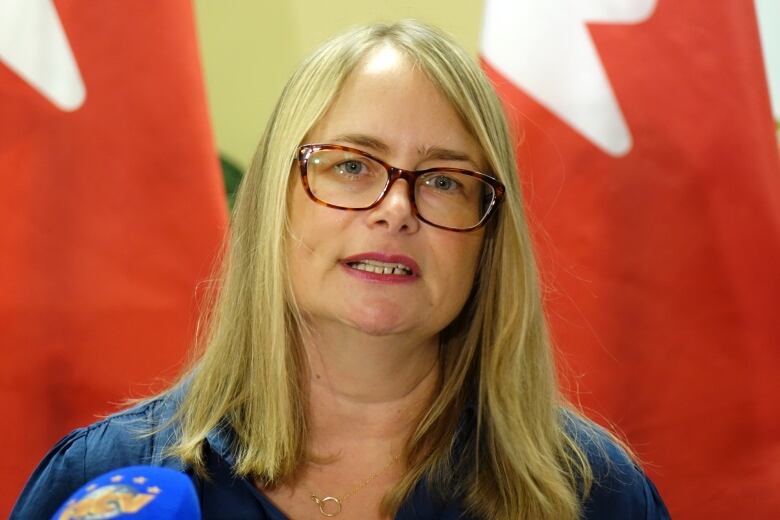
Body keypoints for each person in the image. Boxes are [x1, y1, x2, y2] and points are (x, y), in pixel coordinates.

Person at [12, 20, 669, 520]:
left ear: (489, 237)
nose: (396, 209)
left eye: (443, 180)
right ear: (275, 201)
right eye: (351, 165)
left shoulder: (593, 493)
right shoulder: (108, 480)